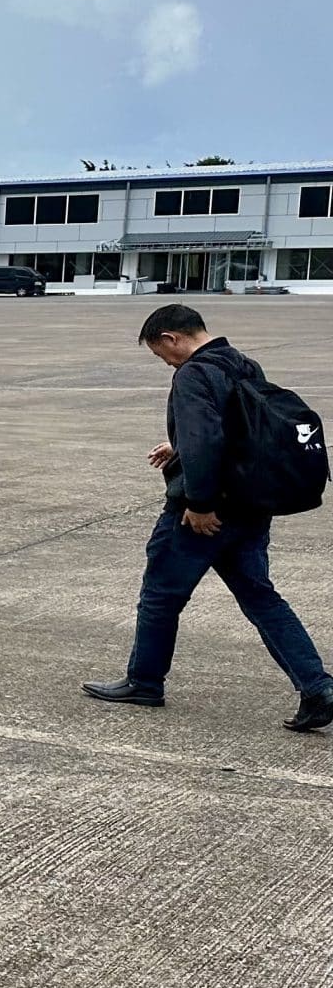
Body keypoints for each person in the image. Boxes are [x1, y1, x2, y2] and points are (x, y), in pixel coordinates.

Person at [83, 305, 333, 731]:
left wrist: (198, 504)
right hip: (252, 507)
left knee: (161, 596)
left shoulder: (194, 374)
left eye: (159, 353)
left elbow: (206, 438)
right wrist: (176, 445)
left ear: (171, 338)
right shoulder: (243, 363)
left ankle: (144, 682)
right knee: (261, 599)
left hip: (206, 512)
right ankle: (319, 688)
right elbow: (246, 431)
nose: (164, 361)